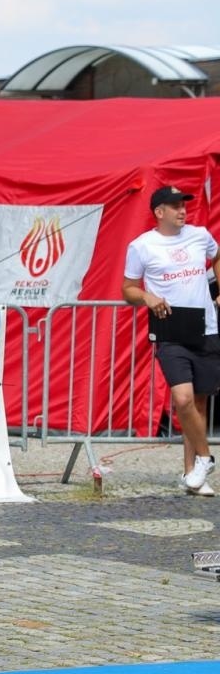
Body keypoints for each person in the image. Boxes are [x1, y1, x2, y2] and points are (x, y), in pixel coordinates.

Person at [123, 186, 220, 497]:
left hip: (205, 327)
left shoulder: (200, 235)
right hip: (170, 330)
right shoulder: (141, 246)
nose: (182, 210)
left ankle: (194, 472)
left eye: (184, 205)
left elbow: (217, 256)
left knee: (199, 402)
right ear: (158, 212)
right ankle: (207, 457)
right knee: (182, 399)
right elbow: (128, 289)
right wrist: (147, 297)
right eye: (175, 205)